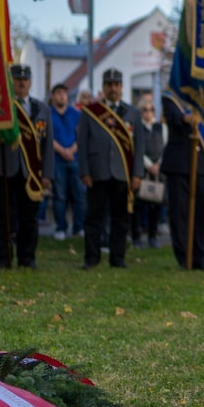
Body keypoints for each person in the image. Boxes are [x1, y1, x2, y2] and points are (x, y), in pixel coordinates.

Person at [0, 64, 53, 269]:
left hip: (31, 170)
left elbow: (47, 144)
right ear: (10, 82)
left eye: (25, 79)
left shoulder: (42, 109)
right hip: (1, 168)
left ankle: (27, 258)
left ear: (30, 82)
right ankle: (3, 257)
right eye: (17, 79)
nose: (21, 83)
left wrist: (47, 173)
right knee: (1, 216)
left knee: (29, 217)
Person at [77, 68, 145, 269]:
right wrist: (84, 171)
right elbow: (82, 144)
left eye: (116, 85)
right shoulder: (91, 111)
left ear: (122, 88)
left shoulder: (132, 113)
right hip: (97, 172)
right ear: (104, 87)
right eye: (109, 85)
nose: (113, 88)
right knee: (94, 218)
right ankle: (92, 258)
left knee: (121, 218)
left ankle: (118, 258)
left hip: (123, 172)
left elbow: (139, 146)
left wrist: (137, 173)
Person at [161, 89, 204, 270]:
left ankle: (201, 256)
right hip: (179, 163)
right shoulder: (172, 96)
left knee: (202, 213)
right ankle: (183, 256)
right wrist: (185, 118)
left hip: (203, 163)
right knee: (180, 213)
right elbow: (172, 117)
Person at [49, 83, 86, 240]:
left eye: (64, 92)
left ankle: (79, 227)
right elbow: (46, 136)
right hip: (57, 160)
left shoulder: (76, 114)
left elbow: (82, 136)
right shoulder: (47, 114)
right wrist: (62, 151)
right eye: (58, 93)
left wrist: (71, 150)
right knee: (60, 196)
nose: (61, 96)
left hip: (75, 159)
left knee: (79, 195)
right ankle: (61, 227)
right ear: (53, 96)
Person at [133, 96, 164, 248]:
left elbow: (166, 146)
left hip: (158, 172)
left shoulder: (161, 127)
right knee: (138, 206)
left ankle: (153, 236)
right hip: (142, 169)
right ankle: (136, 237)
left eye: (151, 110)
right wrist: (149, 164)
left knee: (156, 205)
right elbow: (136, 147)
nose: (148, 113)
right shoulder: (137, 127)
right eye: (145, 110)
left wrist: (158, 163)